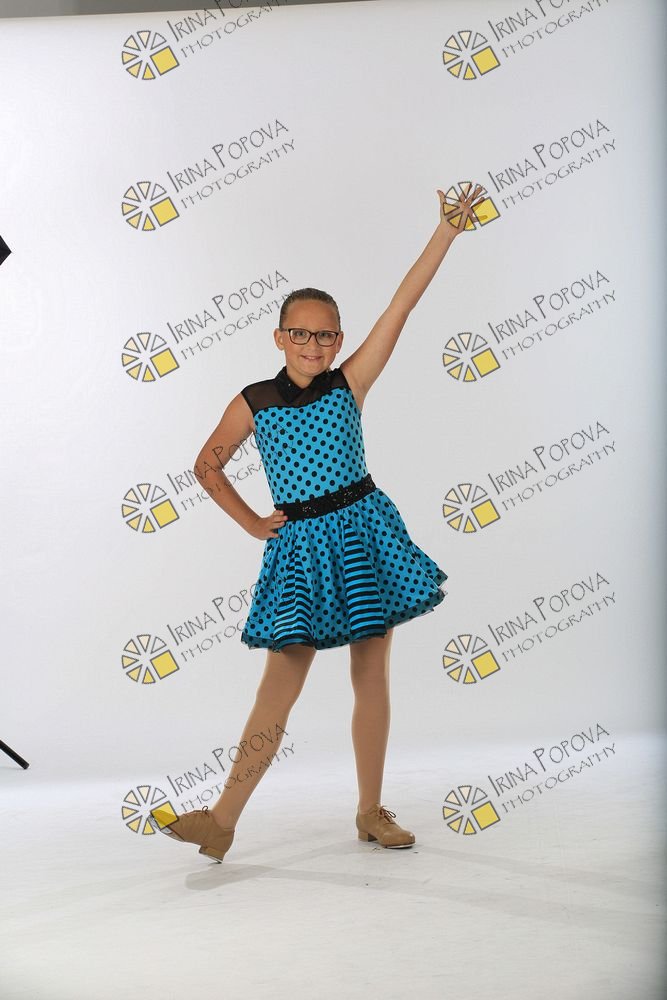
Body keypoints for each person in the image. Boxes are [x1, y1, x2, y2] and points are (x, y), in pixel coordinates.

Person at [151, 183, 487, 862]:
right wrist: (253, 524)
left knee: (371, 673)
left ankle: (370, 810)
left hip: (363, 534)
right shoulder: (254, 401)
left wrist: (446, 233)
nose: (312, 344)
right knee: (278, 687)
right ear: (280, 337)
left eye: (325, 334)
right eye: (300, 333)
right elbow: (207, 466)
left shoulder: (348, 383)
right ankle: (221, 820)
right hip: (300, 548)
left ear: (338, 339)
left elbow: (401, 304)